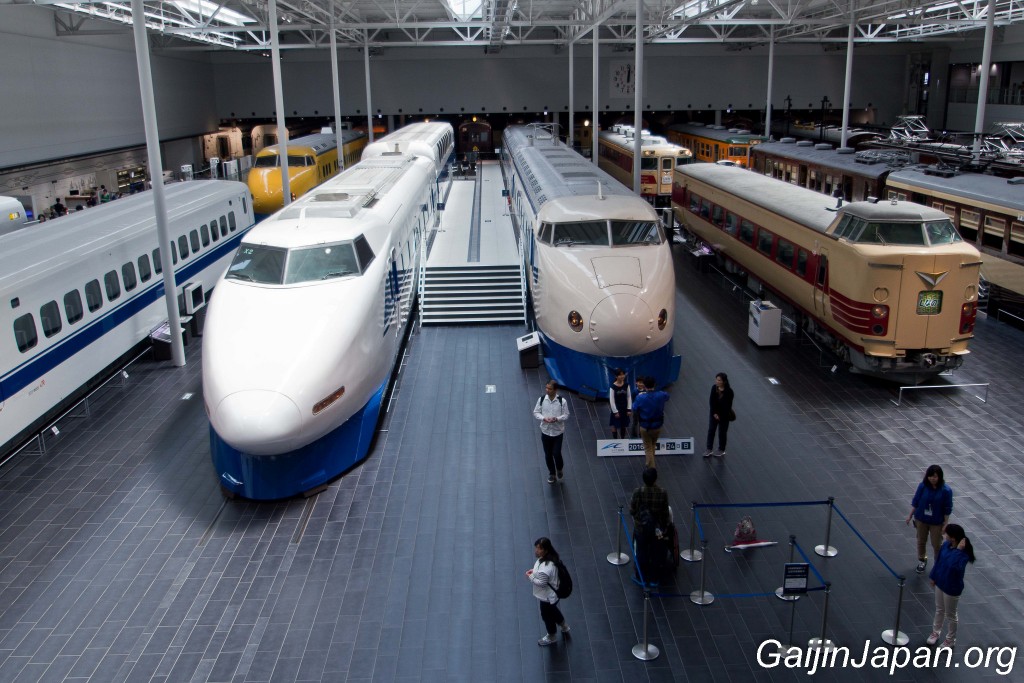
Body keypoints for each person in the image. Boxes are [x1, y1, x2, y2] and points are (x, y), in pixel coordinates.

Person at [927, 523, 975, 648]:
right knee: (940, 609)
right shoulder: (946, 545)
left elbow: (954, 567)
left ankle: (950, 639)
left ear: (953, 538)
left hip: (951, 588)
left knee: (951, 614)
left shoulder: (963, 554)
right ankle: (935, 632)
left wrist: (958, 551)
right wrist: (933, 576)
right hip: (941, 583)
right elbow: (939, 561)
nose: (944, 534)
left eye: (947, 533)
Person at [905, 465, 953, 574]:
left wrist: (946, 523)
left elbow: (947, 508)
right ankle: (922, 560)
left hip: (936, 522)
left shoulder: (946, 491)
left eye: (935, 477)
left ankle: (938, 564)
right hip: (921, 519)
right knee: (921, 541)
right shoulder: (922, 486)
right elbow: (916, 501)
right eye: (930, 476)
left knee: (937, 544)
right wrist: (910, 515)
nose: (932, 479)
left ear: (940, 477)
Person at [629, 467, 671, 585]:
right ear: (656, 478)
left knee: (641, 551)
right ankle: (654, 579)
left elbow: (632, 510)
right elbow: (665, 512)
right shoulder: (662, 492)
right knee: (656, 552)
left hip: (641, 528)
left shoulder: (638, 492)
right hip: (656, 529)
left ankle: (641, 577)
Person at [526, 537, 569, 646]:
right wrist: (535, 573)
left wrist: (531, 577)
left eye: (539, 549)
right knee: (553, 610)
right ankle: (564, 626)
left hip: (547, 597)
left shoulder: (546, 568)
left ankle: (551, 636)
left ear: (546, 550)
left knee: (546, 616)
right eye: (536, 548)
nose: (536, 550)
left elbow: (542, 583)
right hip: (553, 595)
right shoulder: (551, 560)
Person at [533, 380, 569, 484]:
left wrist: (556, 419)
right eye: (546, 388)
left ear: (555, 390)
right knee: (548, 454)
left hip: (558, 432)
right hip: (545, 431)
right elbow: (536, 412)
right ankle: (552, 474)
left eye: (550, 389)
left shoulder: (562, 401)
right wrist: (544, 418)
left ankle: (559, 468)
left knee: (556, 453)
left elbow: (566, 415)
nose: (547, 390)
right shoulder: (542, 399)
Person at [632, 376, 669, 469]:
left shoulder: (640, 398)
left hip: (645, 426)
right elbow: (667, 396)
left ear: (644, 385)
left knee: (648, 448)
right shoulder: (661, 395)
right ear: (655, 385)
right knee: (653, 445)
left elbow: (634, 408)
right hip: (658, 426)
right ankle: (649, 462)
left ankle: (652, 469)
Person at [704, 372, 735, 457]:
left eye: (719, 380)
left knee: (722, 432)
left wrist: (720, 415)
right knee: (711, 430)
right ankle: (709, 449)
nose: (717, 381)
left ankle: (721, 449)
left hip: (724, 416)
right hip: (714, 414)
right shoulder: (714, 388)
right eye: (716, 379)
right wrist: (714, 413)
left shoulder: (729, 392)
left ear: (724, 381)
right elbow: (711, 402)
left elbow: (727, 406)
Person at [608, 368, 632, 439]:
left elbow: (629, 397)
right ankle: (615, 439)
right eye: (620, 375)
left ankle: (622, 439)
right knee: (614, 424)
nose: (622, 376)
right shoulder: (613, 387)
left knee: (623, 424)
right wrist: (615, 411)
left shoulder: (626, 385)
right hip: (616, 407)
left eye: (623, 374)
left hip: (624, 407)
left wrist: (629, 409)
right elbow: (611, 400)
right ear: (616, 376)